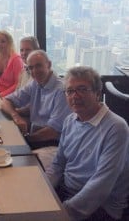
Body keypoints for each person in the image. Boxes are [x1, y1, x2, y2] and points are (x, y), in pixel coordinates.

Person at [47, 66, 129, 221]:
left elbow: (101, 185)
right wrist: (44, 189)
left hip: (101, 207)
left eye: (82, 89)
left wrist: (63, 212)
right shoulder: (70, 120)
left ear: (98, 93)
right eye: (69, 91)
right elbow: (58, 164)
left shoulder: (117, 128)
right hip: (68, 191)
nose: (75, 96)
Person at [1, 50, 71, 149]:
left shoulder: (61, 91)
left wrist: (26, 139)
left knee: (7, 150)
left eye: (38, 66)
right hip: (35, 136)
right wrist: (16, 116)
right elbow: (6, 101)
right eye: (31, 68)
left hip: (53, 144)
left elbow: (53, 132)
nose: (34, 71)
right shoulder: (35, 83)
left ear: (49, 64)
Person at [0, 30, 23, 97]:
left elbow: (18, 84)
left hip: (13, 95)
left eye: (3, 41)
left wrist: (1, 95)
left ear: (9, 43)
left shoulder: (16, 60)